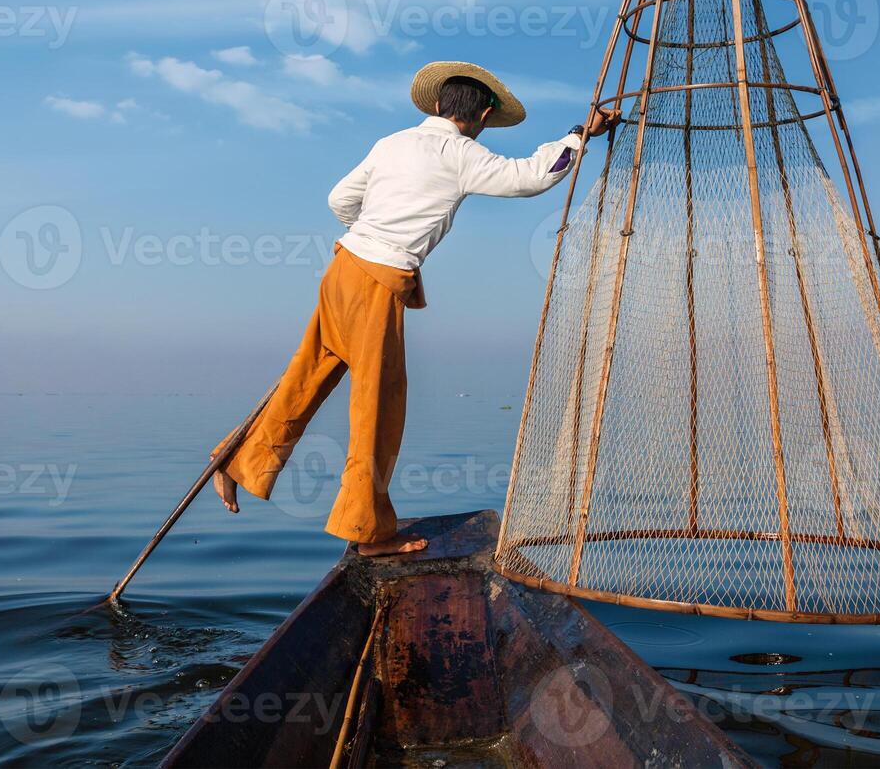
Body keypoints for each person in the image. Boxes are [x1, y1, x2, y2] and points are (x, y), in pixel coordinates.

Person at [212, 61, 601, 556]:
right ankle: (368, 532)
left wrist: (371, 231)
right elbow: (535, 176)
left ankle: (238, 460)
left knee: (307, 376)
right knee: (379, 404)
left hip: (343, 268)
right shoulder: (463, 154)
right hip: (377, 281)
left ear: (438, 106)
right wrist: (575, 137)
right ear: (482, 115)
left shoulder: (390, 143)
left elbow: (339, 199)